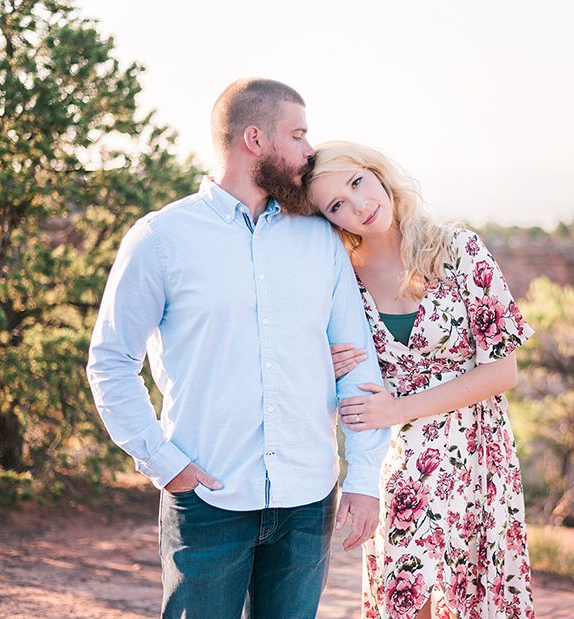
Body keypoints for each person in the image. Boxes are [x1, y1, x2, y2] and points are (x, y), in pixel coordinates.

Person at [86, 78, 391, 618]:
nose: (308, 151)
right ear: (255, 139)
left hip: (307, 499)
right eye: (297, 135)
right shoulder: (160, 239)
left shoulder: (320, 238)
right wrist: (162, 462)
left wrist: (364, 479)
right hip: (208, 499)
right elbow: (110, 362)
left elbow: (357, 363)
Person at [300, 141, 536, 619]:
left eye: (356, 183)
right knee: (405, 594)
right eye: (337, 205)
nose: (359, 206)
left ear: (378, 174)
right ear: (328, 220)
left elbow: (502, 370)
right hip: (398, 456)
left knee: (475, 594)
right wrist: (319, 356)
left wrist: (402, 407)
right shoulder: (340, 275)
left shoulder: (458, 249)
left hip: (476, 450)